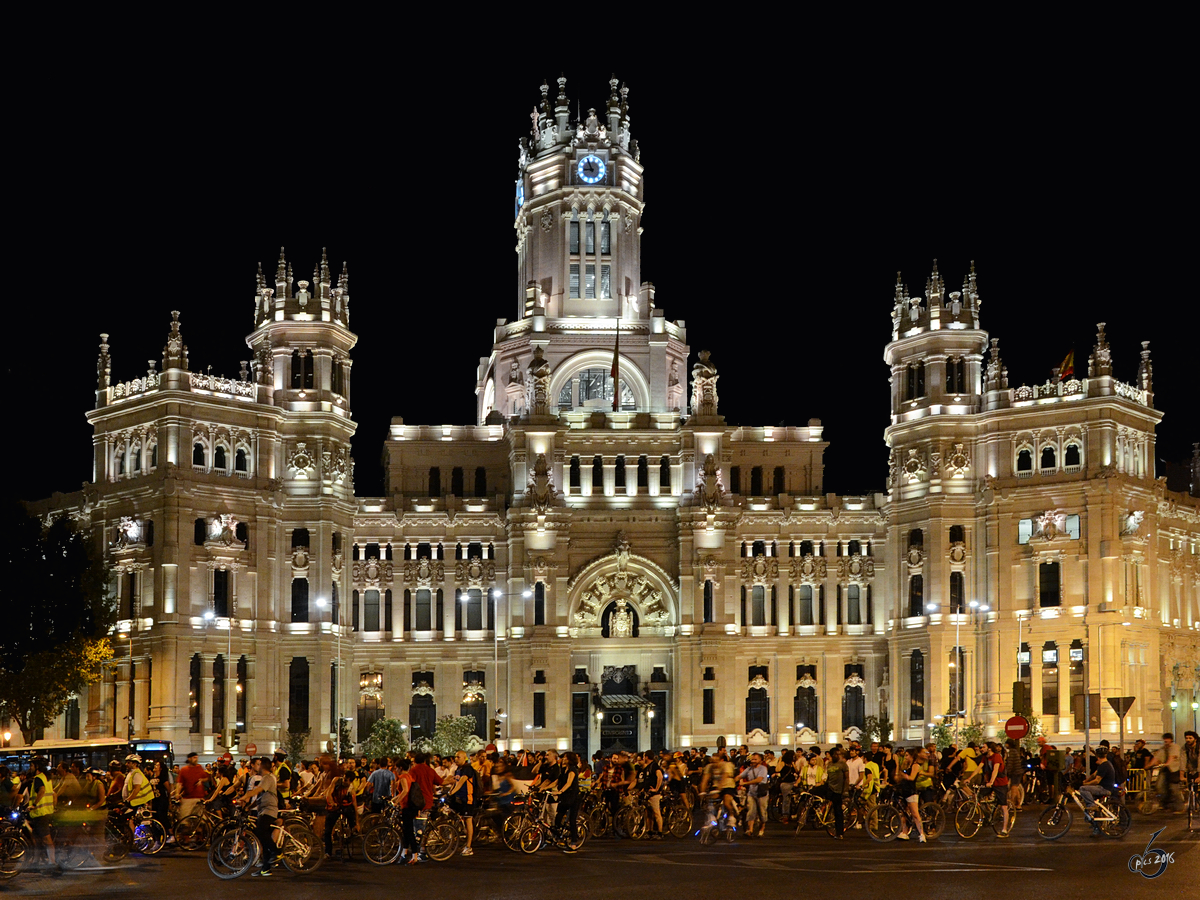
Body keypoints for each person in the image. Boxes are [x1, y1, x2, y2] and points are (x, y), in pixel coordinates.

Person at [237, 757, 280, 876]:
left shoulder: (268, 778)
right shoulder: (264, 779)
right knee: (264, 839)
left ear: (262, 765)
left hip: (269, 810)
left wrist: (244, 797)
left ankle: (277, 852)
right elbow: (260, 797)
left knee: (260, 832)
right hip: (263, 809)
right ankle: (266, 868)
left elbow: (257, 791)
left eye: (258, 765)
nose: (256, 767)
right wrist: (249, 807)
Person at [403, 751, 442, 865]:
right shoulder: (430, 770)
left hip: (417, 803)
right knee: (421, 828)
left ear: (415, 761)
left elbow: (410, 783)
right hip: (428, 802)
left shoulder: (414, 770)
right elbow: (440, 782)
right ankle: (421, 851)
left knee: (418, 829)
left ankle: (422, 852)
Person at [448, 749, 481, 856]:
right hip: (459, 799)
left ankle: (469, 846)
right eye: (455, 757)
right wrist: (449, 792)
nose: (456, 759)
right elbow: (455, 781)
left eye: (458, 757)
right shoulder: (458, 769)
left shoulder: (468, 769)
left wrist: (452, 792)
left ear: (464, 758)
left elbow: (461, 782)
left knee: (468, 821)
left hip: (468, 799)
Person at [27, 757, 57, 871]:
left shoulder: (38, 778)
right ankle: (36, 862)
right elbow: (54, 794)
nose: (31, 767)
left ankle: (52, 863)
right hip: (44, 812)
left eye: (32, 765)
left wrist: (34, 804)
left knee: (46, 839)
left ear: (37, 766)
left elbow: (42, 791)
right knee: (37, 839)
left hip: (41, 813)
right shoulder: (46, 778)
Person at [551, 752, 582, 852]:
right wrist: (544, 788)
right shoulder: (564, 770)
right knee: (558, 817)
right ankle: (558, 837)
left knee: (572, 820)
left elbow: (569, 783)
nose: (563, 759)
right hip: (564, 797)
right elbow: (557, 781)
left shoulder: (573, 770)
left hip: (573, 797)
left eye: (565, 758)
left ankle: (574, 842)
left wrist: (560, 791)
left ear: (569, 759)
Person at [895, 748, 927, 843]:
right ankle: (904, 832)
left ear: (912, 756)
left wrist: (903, 775)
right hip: (904, 790)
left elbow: (912, 778)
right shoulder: (907, 765)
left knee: (915, 814)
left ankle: (922, 834)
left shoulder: (915, 765)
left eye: (907, 755)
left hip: (911, 791)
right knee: (904, 813)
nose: (906, 757)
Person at [816, 748, 848, 839]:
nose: (835, 756)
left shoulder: (843, 765)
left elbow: (846, 778)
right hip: (830, 788)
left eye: (837, 754)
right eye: (834, 754)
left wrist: (845, 790)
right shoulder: (829, 764)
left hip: (838, 790)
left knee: (838, 811)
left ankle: (839, 832)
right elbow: (828, 777)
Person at [738, 752, 770, 837]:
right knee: (751, 811)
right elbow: (740, 776)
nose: (753, 761)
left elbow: (759, 779)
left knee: (762, 812)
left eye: (755, 759)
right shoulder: (749, 769)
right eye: (752, 759)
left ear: (760, 760)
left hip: (761, 794)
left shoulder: (763, 769)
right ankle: (750, 830)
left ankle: (762, 828)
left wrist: (746, 783)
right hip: (751, 793)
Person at [1078, 746, 1118, 813]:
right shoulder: (1106, 764)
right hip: (1106, 787)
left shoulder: (1104, 766)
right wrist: (1085, 781)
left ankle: (1091, 805)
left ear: (1097, 755)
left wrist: (1084, 784)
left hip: (1104, 789)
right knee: (1088, 790)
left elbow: (1097, 780)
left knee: (1083, 789)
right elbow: (1093, 775)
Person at [983, 741, 1011, 836]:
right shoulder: (985, 758)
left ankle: (1004, 830)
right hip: (991, 783)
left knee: (1004, 806)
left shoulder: (997, 756)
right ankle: (987, 815)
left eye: (984, 747)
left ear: (989, 748)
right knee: (979, 796)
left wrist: (991, 781)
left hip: (1000, 783)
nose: (982, 748)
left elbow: (995, 770)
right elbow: (979, 767)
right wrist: (969, 778)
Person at [176, 752, 210, 819]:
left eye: (197, 758)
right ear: (189, 759)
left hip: (199, 798)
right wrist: (177, 793)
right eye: (194, 758)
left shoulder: (199, 767)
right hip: (188, 798)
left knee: (201, 820)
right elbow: (180, 783)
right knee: (184, 819)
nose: (196, 759)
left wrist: (201, 780)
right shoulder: (184, 770)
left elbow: (206, 778)